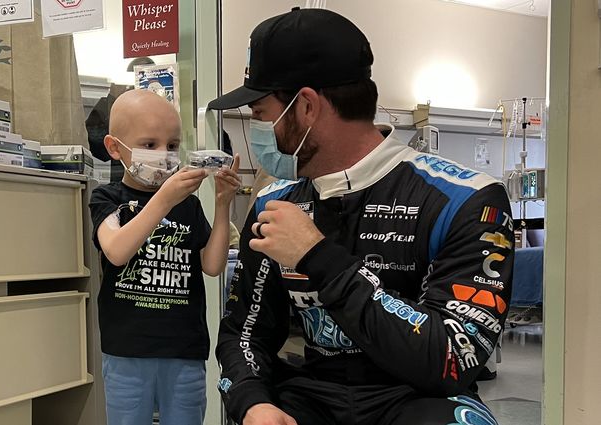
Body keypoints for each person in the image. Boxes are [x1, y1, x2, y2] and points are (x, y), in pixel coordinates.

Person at [208, 8, 513, 425]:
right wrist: (252, 402)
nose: (257, 129)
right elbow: (244, 332)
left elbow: (451, 361)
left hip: (418, 398)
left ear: (307, 107)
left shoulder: (468, 199)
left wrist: (318, 258)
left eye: (261, 114)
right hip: (311, 395)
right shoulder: (271, 203)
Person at [89, 89, 241, 425]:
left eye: (173, 146)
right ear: (115, 148)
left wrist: (222, 204)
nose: (165, 154)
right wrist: (163, 200)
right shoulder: (107, 198)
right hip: (127, 348)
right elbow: (116, 251)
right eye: (149, 144)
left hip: (183, 347)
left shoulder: (187, 204)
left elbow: (213, 265)